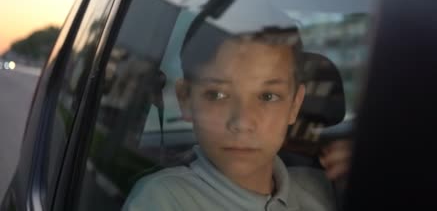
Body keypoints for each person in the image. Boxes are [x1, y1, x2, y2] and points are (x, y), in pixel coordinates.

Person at [123, 23, 352, 210]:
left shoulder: (321, 187)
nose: (242, 122)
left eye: (268, 96)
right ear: (185, 99)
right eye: (218, 95)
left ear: (295, 105)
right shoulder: (162, 200)